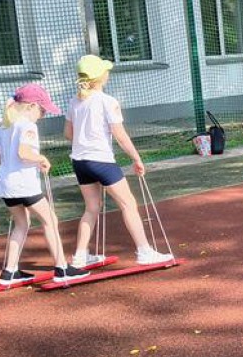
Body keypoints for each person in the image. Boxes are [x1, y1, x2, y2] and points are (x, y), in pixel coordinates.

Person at [66, 54, 174, 267]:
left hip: (79, 161)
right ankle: (144, 251)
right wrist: (136, 158)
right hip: (101, 161)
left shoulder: (75, 101)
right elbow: (121, 136)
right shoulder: (107, 102)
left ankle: (80, 255)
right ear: (101, 76)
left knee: (91, 208)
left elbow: (68, 134)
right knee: (128, 203)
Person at [0, 85, 86, 286]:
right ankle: (62, 267)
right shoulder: (27, 126)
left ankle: (9, 271)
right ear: (30, 106)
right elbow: (23, 152)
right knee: (50, 221)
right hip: (24, 185)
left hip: (6, 185)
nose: (43, 114)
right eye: (42, 110)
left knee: (22, 224)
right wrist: (41, 158)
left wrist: (5, 162)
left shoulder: (5, 126)